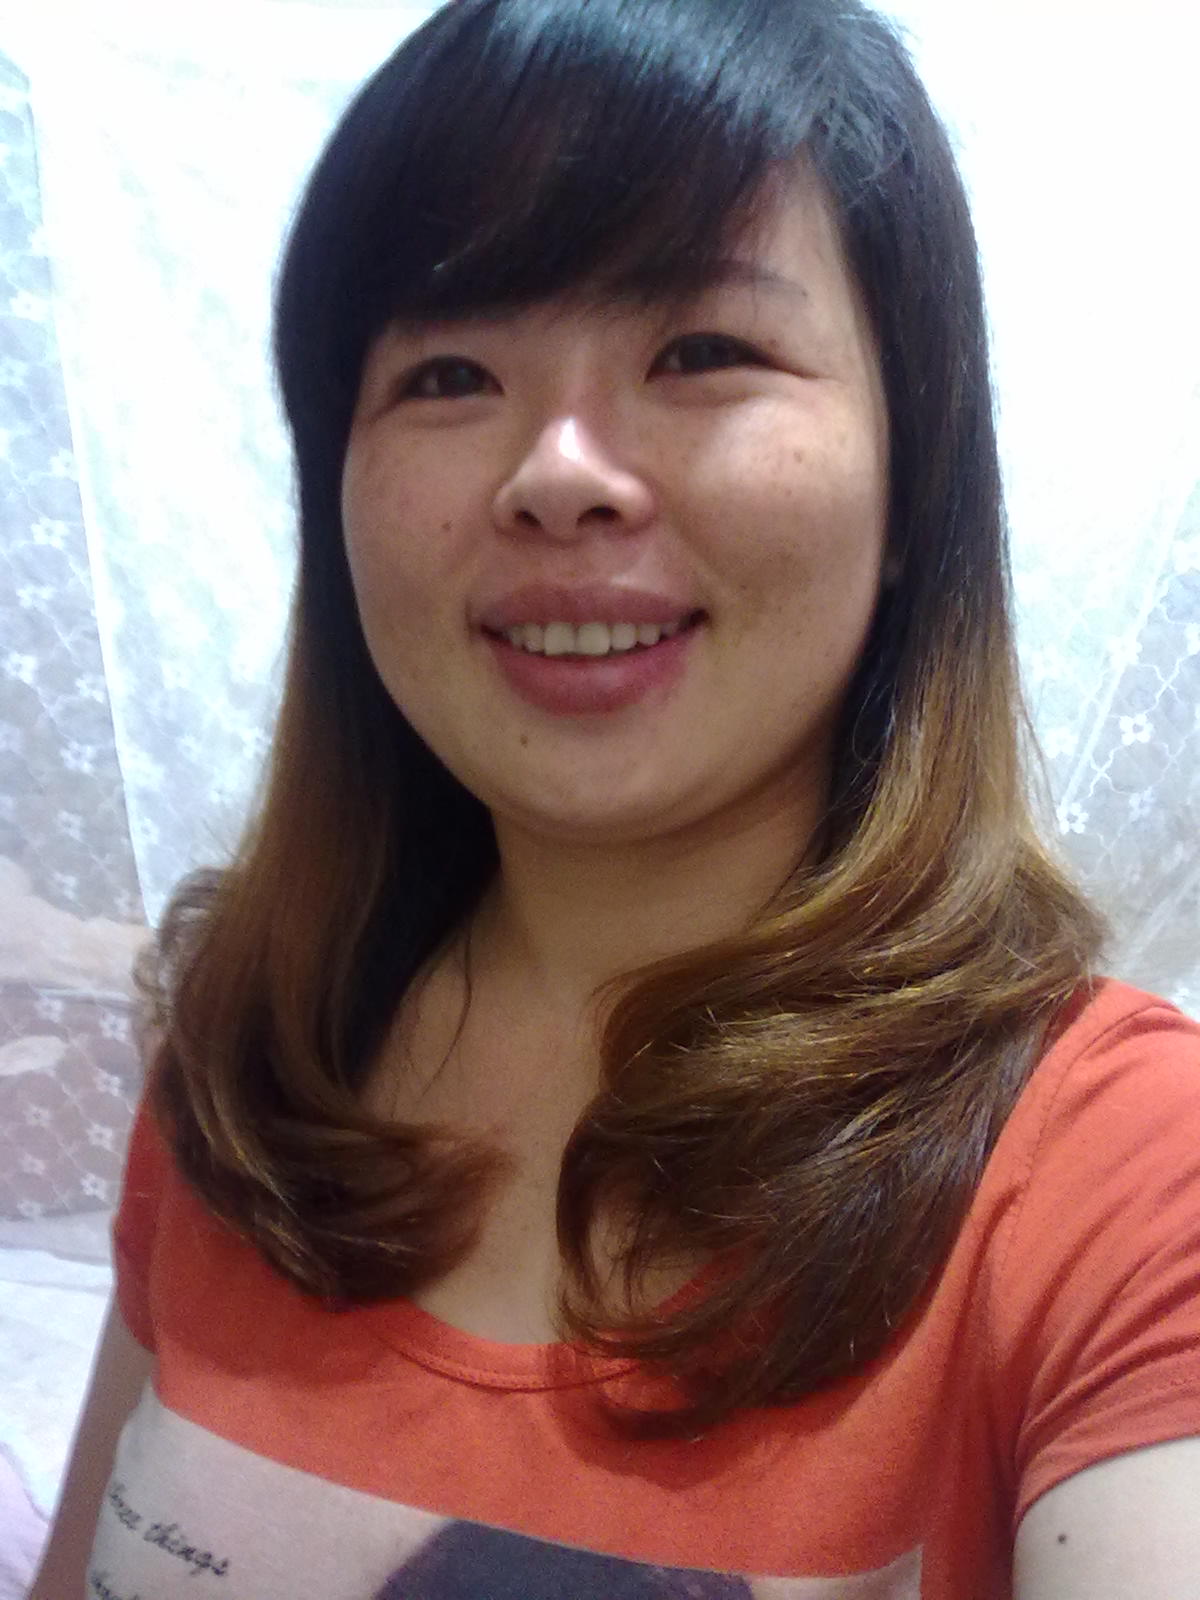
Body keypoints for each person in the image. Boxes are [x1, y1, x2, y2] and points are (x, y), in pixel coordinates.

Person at [31, 0, 1200, 1595]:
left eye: (702, 351)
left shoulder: (1122, 1176)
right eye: (449, 372)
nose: (560, 471)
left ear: (913, 477)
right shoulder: (255, 1062)